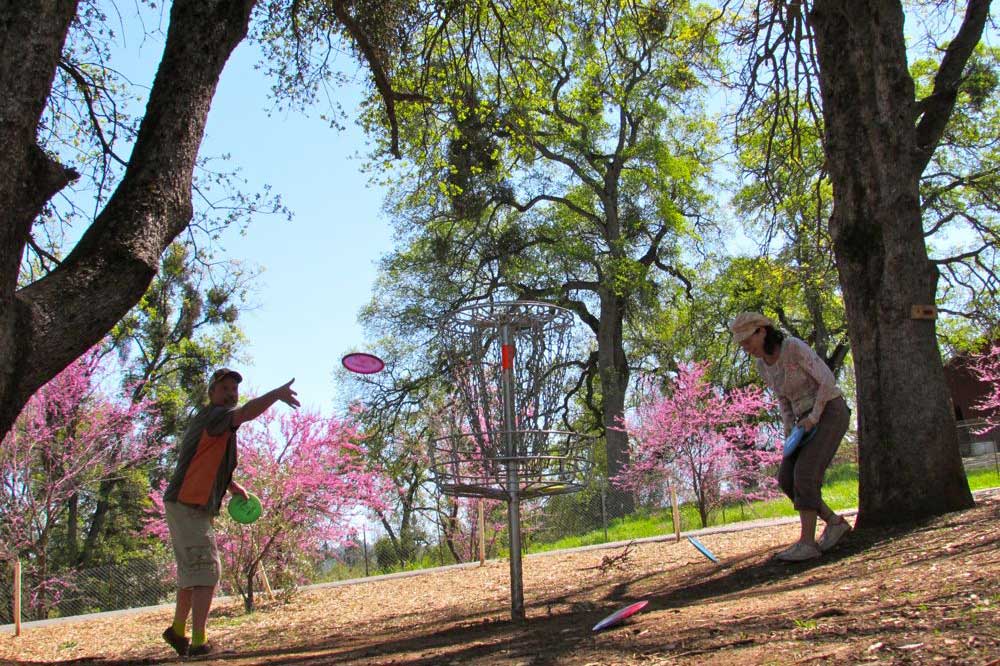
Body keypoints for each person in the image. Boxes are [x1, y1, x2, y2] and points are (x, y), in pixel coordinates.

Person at [160, 368, 300, 657]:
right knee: (207, 572)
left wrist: (231, 485)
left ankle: (177, 631)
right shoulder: (216, 416)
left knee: (192, 573)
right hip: (188, 504)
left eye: (234, 389)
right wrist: (275, 394)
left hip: (185, 504)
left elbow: (204, 459)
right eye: (224, 388)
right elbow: (246, 413)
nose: (231, 393)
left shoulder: (215, 423)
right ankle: (198, 644)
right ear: (212, 392)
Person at [730, 312, 853, 562]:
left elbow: (827, 380)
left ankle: (807, 543)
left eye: (747, 341)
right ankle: (834, 522)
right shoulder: (762, 366)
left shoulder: (793, 348)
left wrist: (815, 416)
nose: (746, 348)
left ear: (762, 331)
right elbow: (783, 399)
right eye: (741, 344)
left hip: (828, 410)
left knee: (805, 474)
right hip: (802, 423)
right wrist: (789, 432)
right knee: (787, 478)